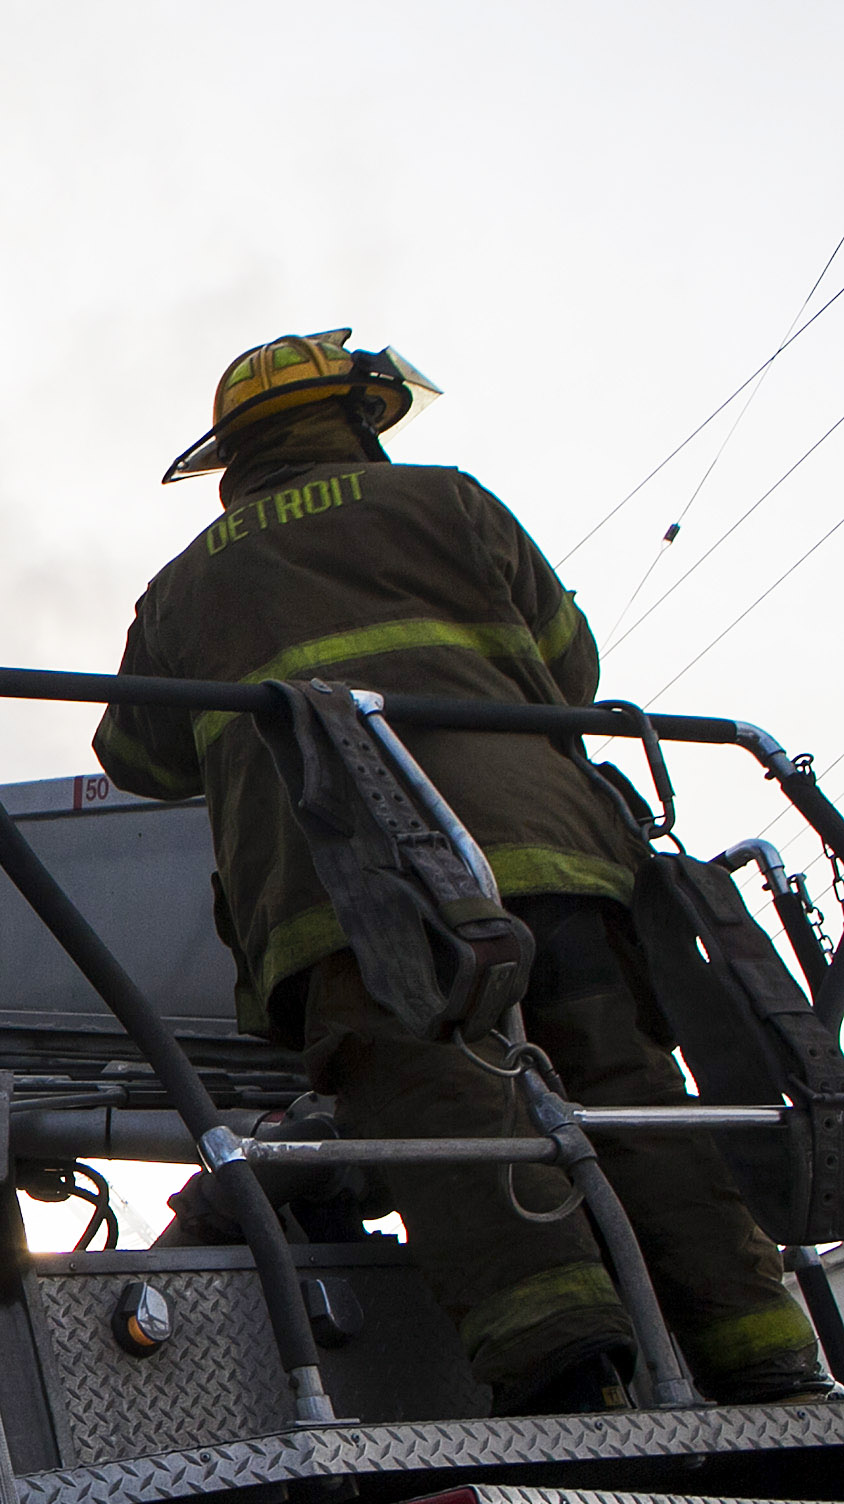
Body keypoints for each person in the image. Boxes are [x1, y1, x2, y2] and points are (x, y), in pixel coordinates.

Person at [97, 331, 827, 1411]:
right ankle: (768, 1364)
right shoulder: (451, 504)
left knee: (450, 1122)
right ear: (354, 421)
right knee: (622, 1101)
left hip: (341, 908)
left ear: (237, 458)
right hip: (555, 869)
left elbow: (136, 756)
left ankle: (566, 1386)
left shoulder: (181, 588)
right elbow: (568, 664)